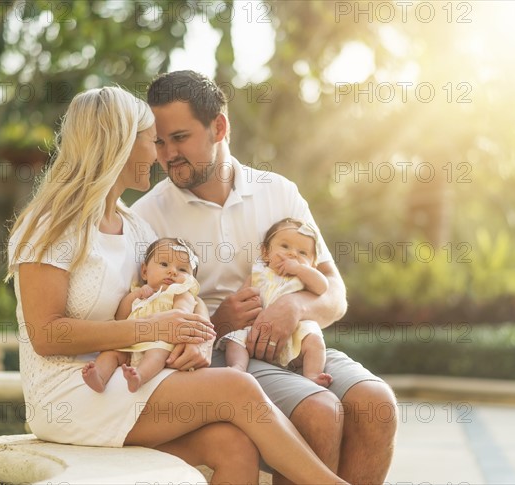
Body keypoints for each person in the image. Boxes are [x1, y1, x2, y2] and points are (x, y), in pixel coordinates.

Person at [6, 86, 351, 485]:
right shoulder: (51, 225)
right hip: (69, 394)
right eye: (150, 140)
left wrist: (198, 339)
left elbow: (170, 296)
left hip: (129, 375)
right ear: (118, 144)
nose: (159, 154)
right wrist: (152, 330)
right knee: (237, 388)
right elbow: (46, 335)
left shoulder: (137, 227)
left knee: (233, 446)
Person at [133, 70, 398, 484]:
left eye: (180, 138)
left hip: (295, 344)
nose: (168, 155)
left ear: (219, 126)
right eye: (160, 142)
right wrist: (219, 323)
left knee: (375, 403)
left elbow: (335, 293)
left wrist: (293, 306)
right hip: (221, 358)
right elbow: (142, 316)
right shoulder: (147, 215)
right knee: (319, 412)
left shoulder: (279, 191)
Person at [218, 217, 333, 387]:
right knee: (235, 341)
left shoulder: (303, 277)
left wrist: (300, 269)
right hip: (256, 331)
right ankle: (238, 368)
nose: (293, 254)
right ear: (265, 253)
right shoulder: (258, 274)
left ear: (313, 264)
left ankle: (312, 374)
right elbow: (241, 298)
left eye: (303, 253)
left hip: (295, 332)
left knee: (315, 340)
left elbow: (322, 286)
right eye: (285, 246)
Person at [82, 237, 206, 393]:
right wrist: (136, 295)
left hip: (160, 340)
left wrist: (180, 309)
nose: (173, 271)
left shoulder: (179, 293)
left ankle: (139, 376)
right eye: (164, 264)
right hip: (130, 341)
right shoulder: (138, 292)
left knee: (157, 353)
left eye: (182, 270)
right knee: (111, 352)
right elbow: (121, 316)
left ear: (191, 280)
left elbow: (182, 314)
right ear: (145, 271)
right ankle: (98, 376)